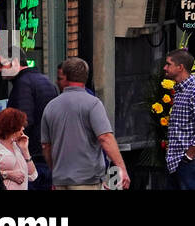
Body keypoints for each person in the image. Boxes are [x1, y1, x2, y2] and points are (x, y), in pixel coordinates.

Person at [40, 57, 130, 190]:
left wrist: (56, 172)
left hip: (60, 180)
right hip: (86, 180)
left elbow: (46, 146)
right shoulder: (93, 104)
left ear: (65, 76)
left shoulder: (50, 106)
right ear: (86, 76)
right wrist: (121, 168)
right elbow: (105, 137)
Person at [1, 56, 58, 190]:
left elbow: (24, 122)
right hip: (47, 153)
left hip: (31, 156)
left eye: (1, 65)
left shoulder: (22, 84)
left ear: (14, 63)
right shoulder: (46, 80)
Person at [164, 48, 195, 190]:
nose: (165, 68)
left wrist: (188, 157)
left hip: (190, 165)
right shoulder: (180, 91)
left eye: (168, 64)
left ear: (180, 67)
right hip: (175, 163)